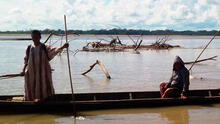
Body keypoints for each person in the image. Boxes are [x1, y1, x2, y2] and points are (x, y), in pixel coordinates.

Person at [20, 30, 69, 101]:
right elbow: (26, 60)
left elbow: (54, 51)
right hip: (31, 72)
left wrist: (63, 47)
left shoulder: (44, 47)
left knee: (44, 85)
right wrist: (23, 71)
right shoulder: (29, 48)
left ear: (40, 37)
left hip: (43, 72)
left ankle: (45, 100)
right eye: (33, 37)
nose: (34, 38)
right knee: (31, 86)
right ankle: (31, 100)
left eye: (36, 37)